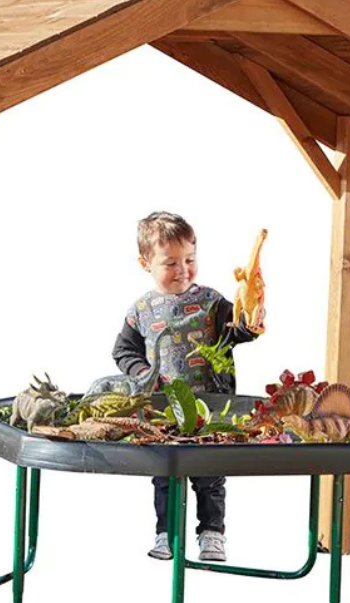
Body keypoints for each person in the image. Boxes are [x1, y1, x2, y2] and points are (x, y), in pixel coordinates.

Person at [111, 211, 264, 563]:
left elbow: (237, 327)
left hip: (211, 407)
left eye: (190, 260)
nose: (183, 270)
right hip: (163, 409)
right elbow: (123, 351)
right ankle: (167, 533)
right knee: (164, 475)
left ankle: (212, 533)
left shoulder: (211, 301)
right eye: (170, 263)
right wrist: (142, 372)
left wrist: (251, 322)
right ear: (145, 263)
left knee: (210, 474)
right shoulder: (141, 310)